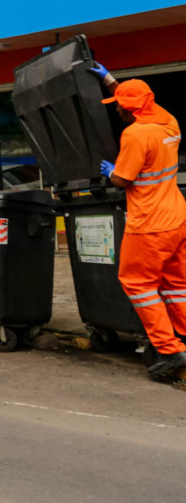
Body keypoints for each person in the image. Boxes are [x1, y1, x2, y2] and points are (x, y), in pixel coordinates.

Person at [93, 64, 186, 380]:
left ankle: (170, 350)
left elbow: (122, 179)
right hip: (177, 218)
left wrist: (110, 172)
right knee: (177, 285)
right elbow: (136, 101)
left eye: (118, 103)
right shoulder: (168, 121)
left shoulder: (134, 134)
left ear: (128, 108)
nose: (115, 107)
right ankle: (183, 337)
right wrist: (110, 81)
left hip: (148, 224)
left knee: (138, 284)